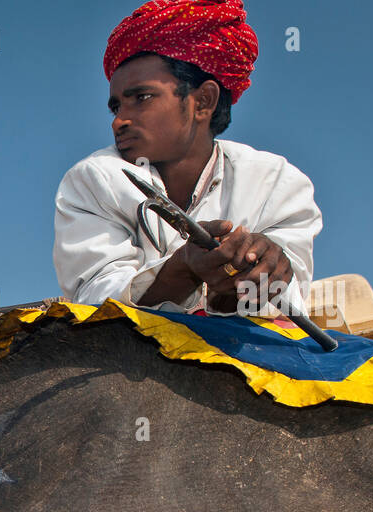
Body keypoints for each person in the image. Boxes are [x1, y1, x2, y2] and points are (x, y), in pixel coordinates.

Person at [53, 0, 322, 317]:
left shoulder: (277, 182)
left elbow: (290, 294)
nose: (119, 121)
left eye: (142, 98)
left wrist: (255, 274)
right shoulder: (93, 180)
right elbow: (94, 297)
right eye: (116, 107)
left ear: (203, 102)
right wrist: (183, 270)